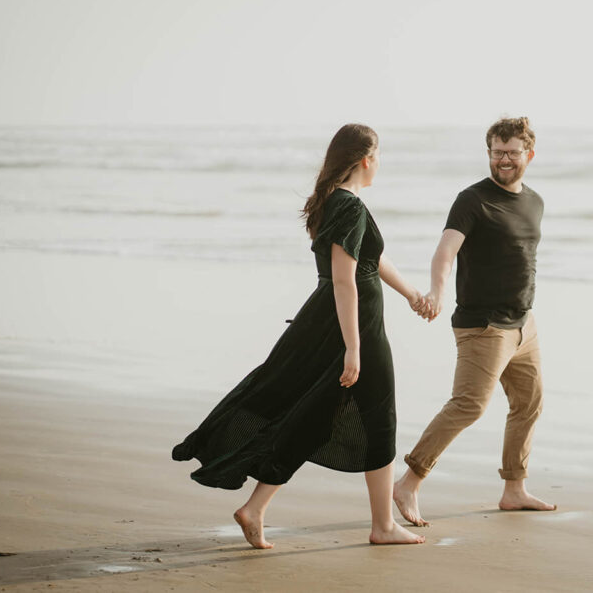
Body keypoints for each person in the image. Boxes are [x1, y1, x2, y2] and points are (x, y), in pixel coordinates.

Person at [172, 123, 426, 548]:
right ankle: (381, 526)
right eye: (379, 156)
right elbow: (345, 281)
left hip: (328, 323)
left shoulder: (336, 203)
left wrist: (412, 294)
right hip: (349, 328)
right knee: (378, 420)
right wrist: (354, 349)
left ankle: (255, 508)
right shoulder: (349, 207)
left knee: (311, 417)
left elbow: (371, 260)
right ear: (366, 159)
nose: (380, 164)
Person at [393, 117, 556, 527]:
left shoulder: (535, 201)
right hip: (483, 325)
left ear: (528, 155)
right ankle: (409, 482)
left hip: (523, 324)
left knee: (529, 403)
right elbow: (445, 252)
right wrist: (436, 292)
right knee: (468, 405)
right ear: (489, 153)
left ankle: (514, 489)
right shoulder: (472, 200)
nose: (504, 159)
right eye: (497, 152)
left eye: (512, 152)